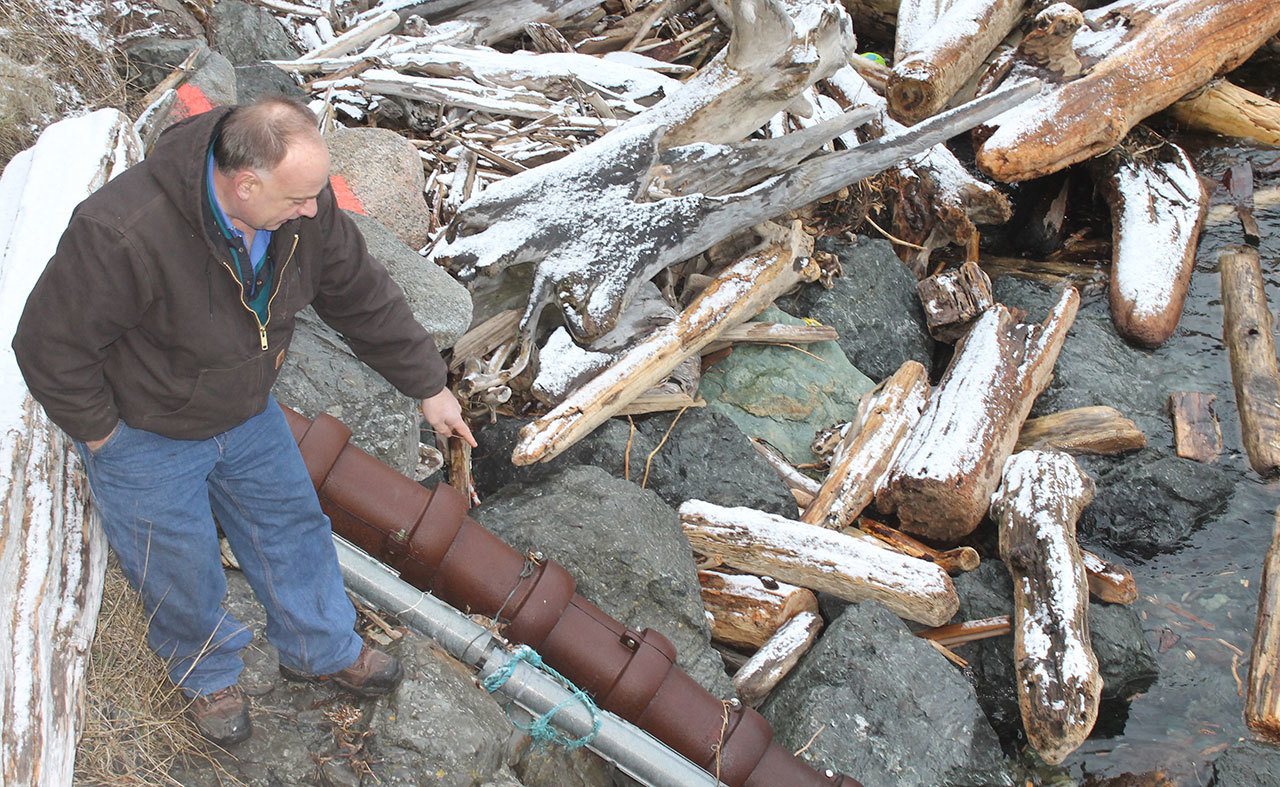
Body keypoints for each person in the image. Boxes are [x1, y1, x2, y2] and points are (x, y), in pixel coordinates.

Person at [11, 96, 476, 746]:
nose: (313, 209)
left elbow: (362, 294)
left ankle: (319, 647)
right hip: (145, 430)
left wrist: (428, 383)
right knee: (176, 562)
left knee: (291, 523)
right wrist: (103, 435)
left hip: (245, 410)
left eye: (315, 195)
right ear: (245, 182)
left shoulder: (300, 212)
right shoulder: (123, 230)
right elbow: (46, 345)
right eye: (299, 197)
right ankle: (207, 675)